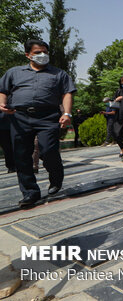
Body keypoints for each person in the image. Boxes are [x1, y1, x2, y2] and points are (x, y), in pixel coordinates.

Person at [0, 39, 76, 208]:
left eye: (45, 52)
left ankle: (56, 177)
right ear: (28, 55)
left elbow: (67, 94)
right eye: (37, 52)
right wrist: (2, 103)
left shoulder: (59, 74)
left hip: (48, 117)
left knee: (48, 150)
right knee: (21, 156)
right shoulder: (14, 73)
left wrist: (67, 113)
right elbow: (3, 90)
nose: (42, 55)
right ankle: (30, 192)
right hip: (19, 117)